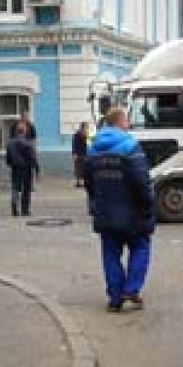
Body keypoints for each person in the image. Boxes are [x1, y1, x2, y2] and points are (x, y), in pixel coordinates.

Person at [84, 107, 156, 313]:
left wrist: (96, 201)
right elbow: (141, 180)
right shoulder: (131, 146)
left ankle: (115, 297)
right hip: (133, 210)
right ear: (120, 121)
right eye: (127, 121)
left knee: (110, 253)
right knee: (141, 246)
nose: (128, 125)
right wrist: (149, 202)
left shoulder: (93, 148)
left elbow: (88, 180)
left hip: (105, 209)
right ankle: (131, 289)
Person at [6, 121, 38, 217]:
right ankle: (25, 210)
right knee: (26, 189)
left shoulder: (10, 143)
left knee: (15, 188)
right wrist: (36, 168)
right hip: (26, 169)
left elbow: (8, 158)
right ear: (24, 131)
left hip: (15, 168)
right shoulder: (28, 143)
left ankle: (14, 208)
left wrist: (11, 164)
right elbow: (32, 157)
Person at [71, 121, 89, 187]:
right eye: (86, 127)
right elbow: (74, 144)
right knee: (79, 168)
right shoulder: (78, 134)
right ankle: (78, 182)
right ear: (83, 127)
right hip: (80, 153)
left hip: (84, 153)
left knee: (82, 168)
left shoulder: (85, 134)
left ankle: (82, 182)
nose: (87, 128)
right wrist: (74, 153)